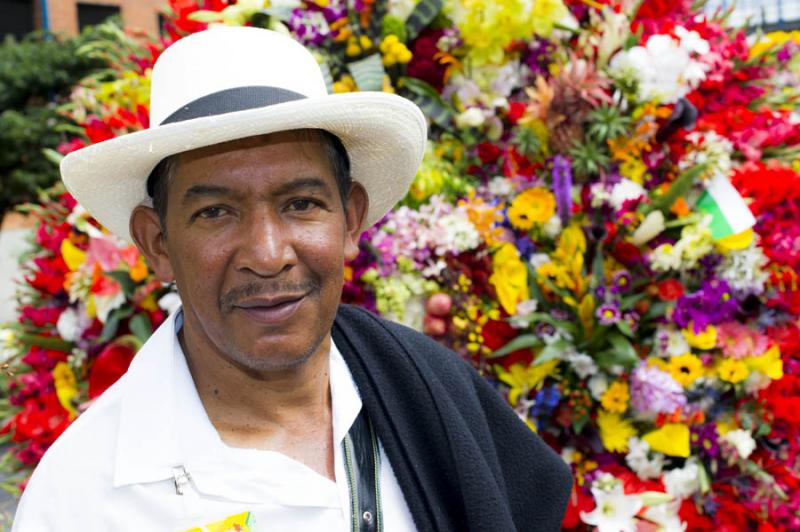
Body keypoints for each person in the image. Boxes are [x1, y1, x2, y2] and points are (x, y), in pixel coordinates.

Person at [13, 27, 572, 532]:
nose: (267, 253)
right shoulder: (86, 495)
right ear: (158, 244)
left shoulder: (432, 398)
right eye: (215, 213)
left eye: (301, 203)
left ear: (352, 218)